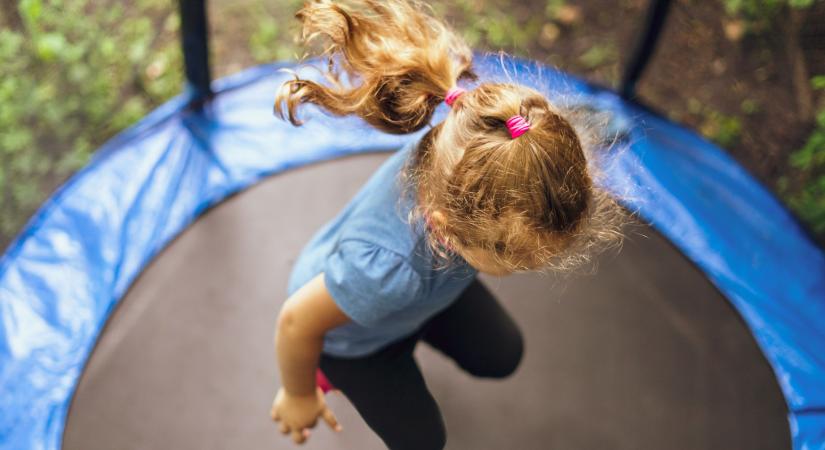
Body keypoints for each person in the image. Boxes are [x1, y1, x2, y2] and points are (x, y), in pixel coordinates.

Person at [269, 0, 626, 448]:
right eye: (513, 256)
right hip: (353, 337)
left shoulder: (477, 155)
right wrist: (298, 392)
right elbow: (296, 322)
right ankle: (328, 370)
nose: (525, 266)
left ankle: (417, 324)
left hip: (422, 296)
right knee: (423, 442)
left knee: (501, 355)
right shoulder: (383, 272)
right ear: (448, 229)